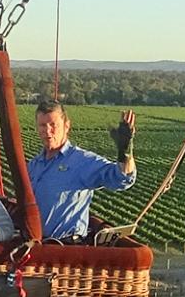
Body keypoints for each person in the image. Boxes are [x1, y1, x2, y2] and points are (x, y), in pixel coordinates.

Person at [27, 100, 136, 242]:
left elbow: (121, 178)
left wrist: (125, 151)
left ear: (66, 126)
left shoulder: (81, 161)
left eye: (53, 125)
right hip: (37, 248)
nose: (47, 131)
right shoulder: (34, 165)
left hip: (66, 250)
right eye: (42, 125)